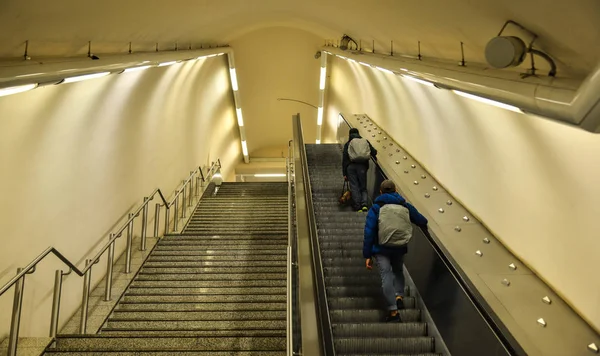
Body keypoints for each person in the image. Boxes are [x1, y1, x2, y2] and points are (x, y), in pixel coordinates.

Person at [363, 180, 428, 322]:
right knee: (398, 271)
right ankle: (399, 296)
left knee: (386, 275)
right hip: (399, 247)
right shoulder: (404, 205)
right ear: (395, 190)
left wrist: (367, 255)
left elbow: (369, 232)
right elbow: (421, 220)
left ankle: (393, 312)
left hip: (381, 248)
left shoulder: (376, 208)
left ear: (380, 192)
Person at [342, 128, 377, 212]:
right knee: (363, 187)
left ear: (349, 134)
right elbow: (374, 152)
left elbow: (345, 159)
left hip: (351, 167)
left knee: (354, 186)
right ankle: (364, 204)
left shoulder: (348, 143)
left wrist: (344, 173)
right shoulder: (365, 141)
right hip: (362, 167)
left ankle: (357, 206)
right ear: (358, 133)